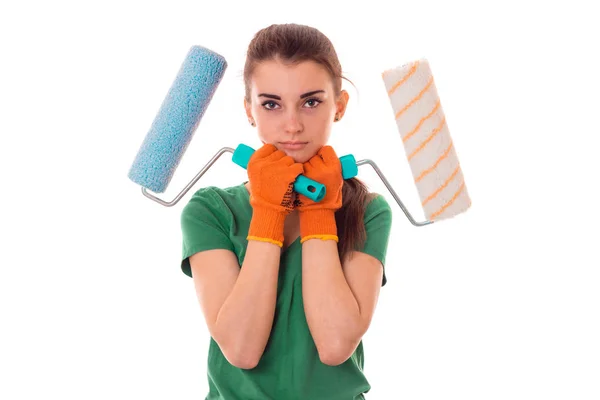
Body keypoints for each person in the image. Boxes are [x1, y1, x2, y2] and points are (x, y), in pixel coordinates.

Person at [180, 23, 393, 400]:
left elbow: (334, 344)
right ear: (249, 110)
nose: (292, 126)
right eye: (271, 104)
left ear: (339, 106)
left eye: (311, 102)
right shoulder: (210, 211)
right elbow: (242, 351)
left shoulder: (369, 211)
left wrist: (318, 209)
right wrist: (268, 209)